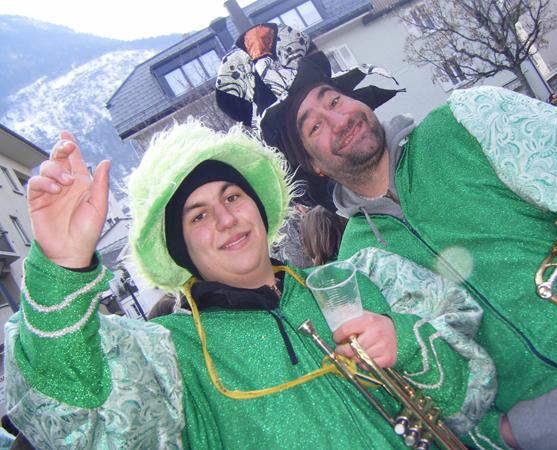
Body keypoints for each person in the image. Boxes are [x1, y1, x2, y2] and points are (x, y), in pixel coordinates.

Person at [215, 23, 557, 450]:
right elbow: (420, 388)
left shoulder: (468, 122)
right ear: (314, 164)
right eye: (314, 125)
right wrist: (508, 433)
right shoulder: (355, 262)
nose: (338, 120)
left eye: (332, 100)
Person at [4, 120, 501, 449]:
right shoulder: (171, 356)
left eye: (232, 196)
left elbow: (475, 395)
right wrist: (62, 266)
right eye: (198, 215)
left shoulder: (363, 276)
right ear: (181, 248)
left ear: (258, 208)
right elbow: (70, 414)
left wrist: (407, 345)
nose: (226, 219)